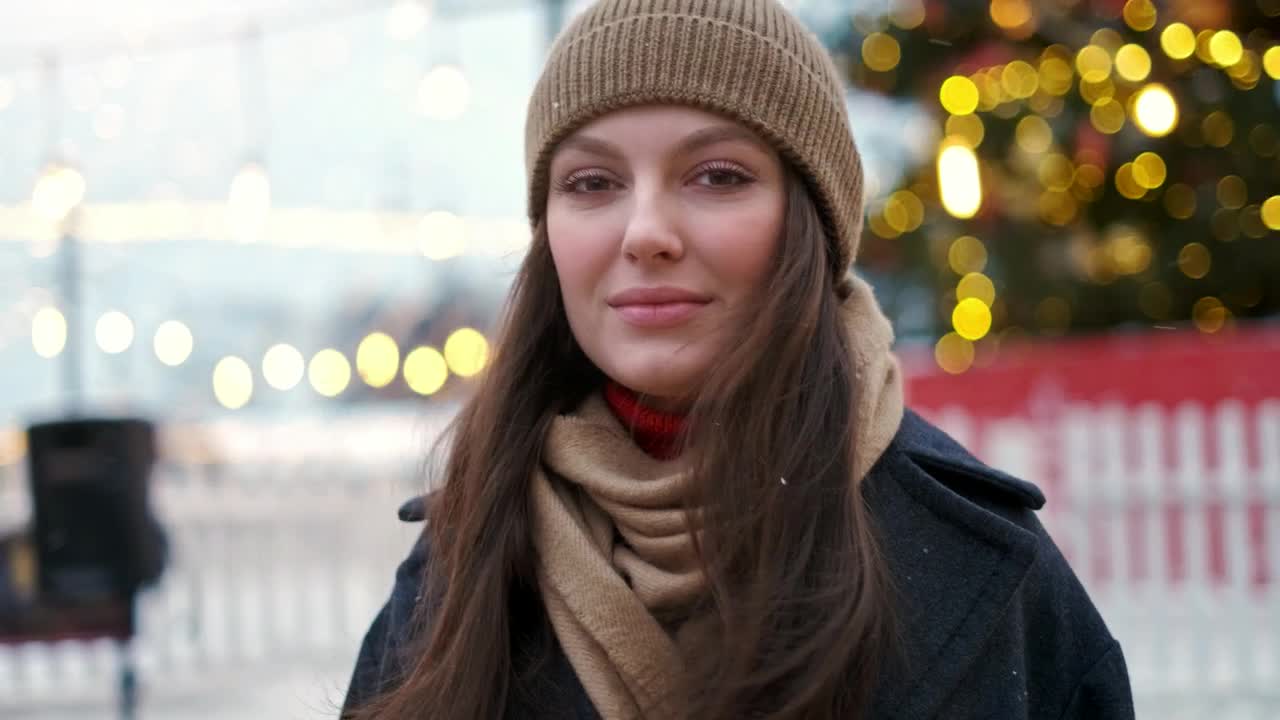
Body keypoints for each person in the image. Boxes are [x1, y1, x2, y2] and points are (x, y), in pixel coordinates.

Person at [342, 1, 1134, 718]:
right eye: (591, 182)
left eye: (717, 176)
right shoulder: (456, 573)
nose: (645, 230)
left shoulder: (990, 576)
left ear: (809, 221)